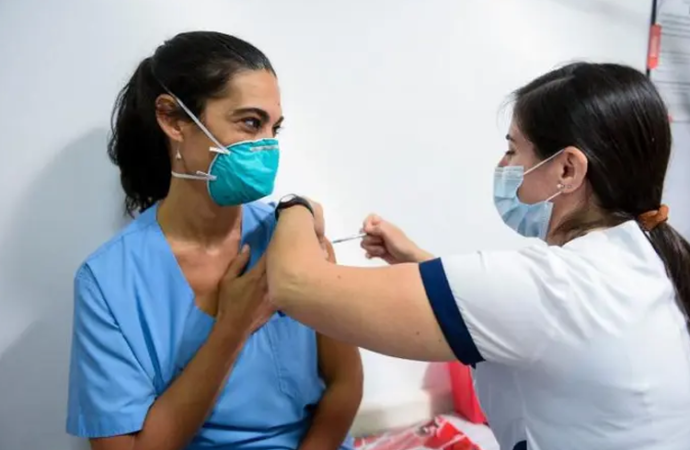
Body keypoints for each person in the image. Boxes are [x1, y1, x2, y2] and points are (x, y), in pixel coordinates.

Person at [265, 62, 690, 450]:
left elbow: (295, 285)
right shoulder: (647, 257)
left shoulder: (556, 286)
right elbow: (506, 312)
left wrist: (295, 207)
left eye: (513, 150)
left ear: (567, 169)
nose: (503, 165)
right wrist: (414, 259)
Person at [66, 31, 362, 450]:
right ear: (173, 119)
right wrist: (232, 327)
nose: (268, 146)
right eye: (250, 123)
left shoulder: (294, 238)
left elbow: (345, 382)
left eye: (274, 128)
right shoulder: (108, 281)